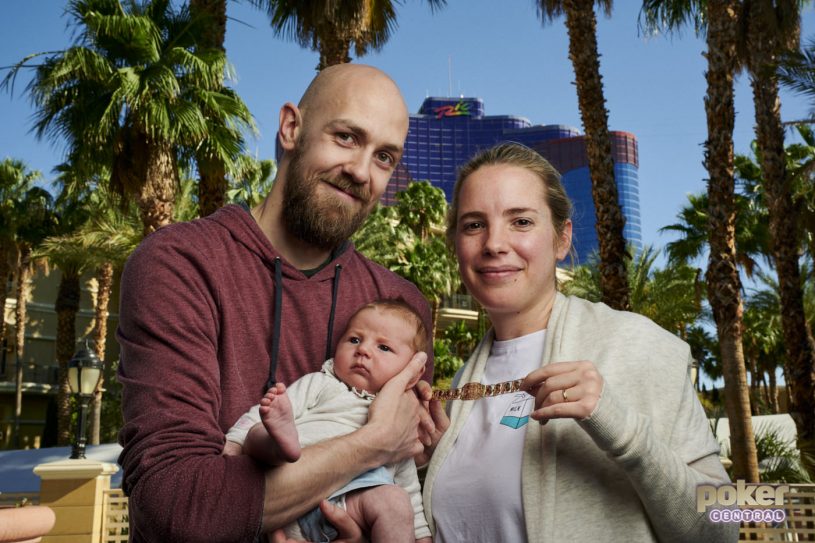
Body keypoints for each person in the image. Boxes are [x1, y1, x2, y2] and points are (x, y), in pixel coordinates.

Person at [117, 64, 439, 543]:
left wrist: (422, 452)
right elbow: (177, 507)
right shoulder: (180, 263)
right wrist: (370, 444)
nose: (361, 171)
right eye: (347, 137)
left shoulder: (402, 311)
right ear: (292, 127)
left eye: (385, 157)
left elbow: (409, 495)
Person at [421, 143, 739, 542]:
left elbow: (723, 528)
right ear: (456, 244)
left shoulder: (639, 346)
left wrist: (623, 432)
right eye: (473, 224)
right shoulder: (460, 390)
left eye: (520, 221)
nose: (494, 243)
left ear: (562, 238)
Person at [225, 300, 432, 543]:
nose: (363, 350)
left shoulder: (400, 423)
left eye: (384, 347)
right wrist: (234, 443)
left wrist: (421, 536)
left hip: (347, 506)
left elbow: (410, 494)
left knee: (396, 503)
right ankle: (283, 444)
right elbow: (256, 414)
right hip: (287, 486)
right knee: (259, 432)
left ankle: (281, 443)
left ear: (413, 370)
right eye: (354, 339)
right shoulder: (321, 383)